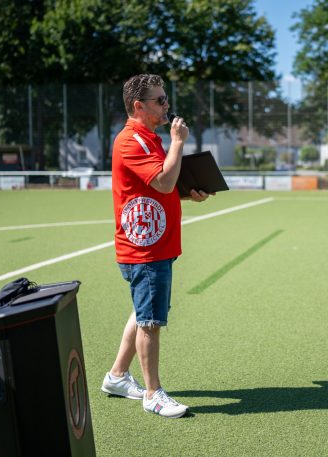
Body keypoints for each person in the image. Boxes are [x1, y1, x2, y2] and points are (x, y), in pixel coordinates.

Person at [101, 74, 211, 418]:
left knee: (142, 310)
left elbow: (159, 183)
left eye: (165, 98)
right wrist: (178, 142)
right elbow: (163, 182)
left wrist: (187, 191)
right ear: (139, 106)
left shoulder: (147, 137)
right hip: (144, 247)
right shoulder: (132, 140)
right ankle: (153, 393)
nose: (167, 105)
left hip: (154, 240)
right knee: (149, 320)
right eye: (160, 100)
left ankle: (117, 377)